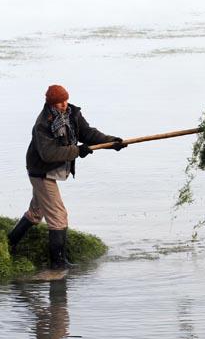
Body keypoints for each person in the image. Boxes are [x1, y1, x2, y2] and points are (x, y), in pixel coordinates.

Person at [7, 85, 126, 270]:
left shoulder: (72, 113)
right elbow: (49, 154)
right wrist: (77, 150)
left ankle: (9, 243)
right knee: (58, 216)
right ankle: (58, 264)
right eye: (59, 102)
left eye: (65, 100)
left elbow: (88, 133)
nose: (64, 105)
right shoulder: (43, 125)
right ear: (51, 103)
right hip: (42, 171)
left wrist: (111, 142)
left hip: (53, 169)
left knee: (36, 213)